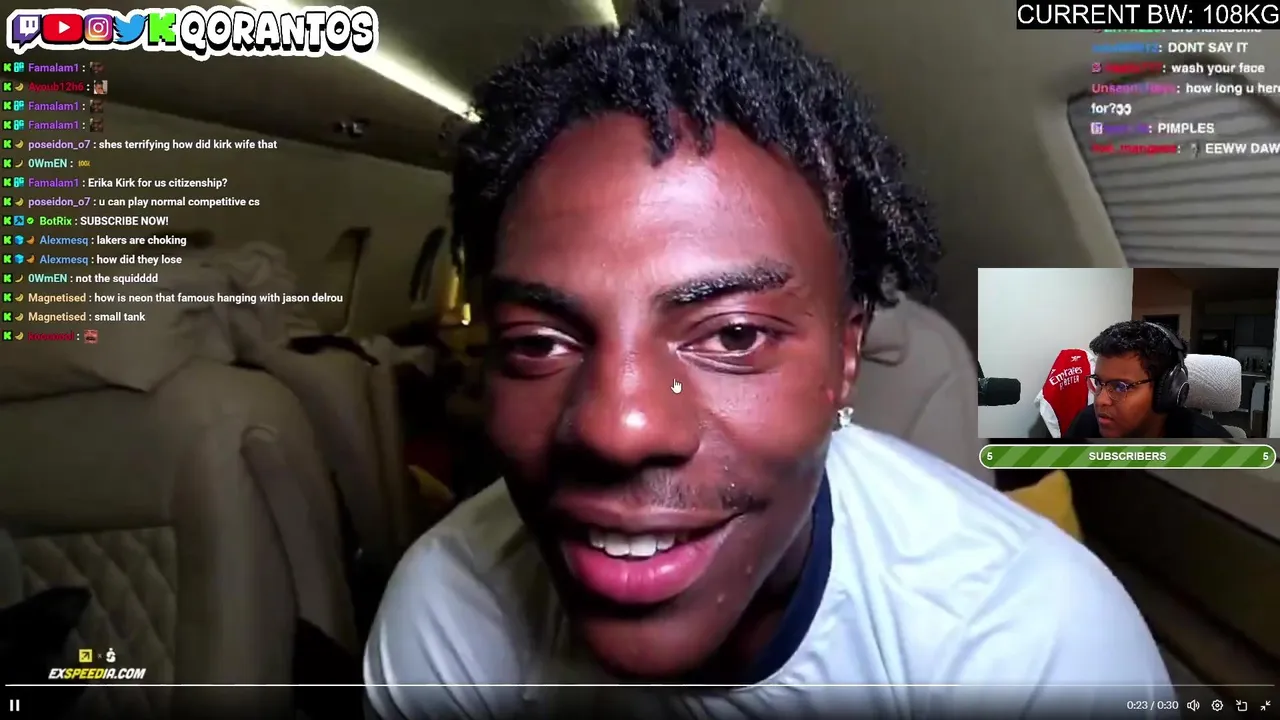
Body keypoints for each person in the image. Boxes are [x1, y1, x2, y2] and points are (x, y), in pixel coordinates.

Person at [365, 2, 1173, 718]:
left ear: (847, 353)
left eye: (733, 336)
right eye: (539, 343)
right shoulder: (450, 613)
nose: (618, 429)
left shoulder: (1028, 643)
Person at [1065, 321, 1231, 439]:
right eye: (1098, 382)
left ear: (1166, 391)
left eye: (1120, 387)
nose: (1100, 400)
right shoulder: (1086, 423)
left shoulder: (1210, 445)